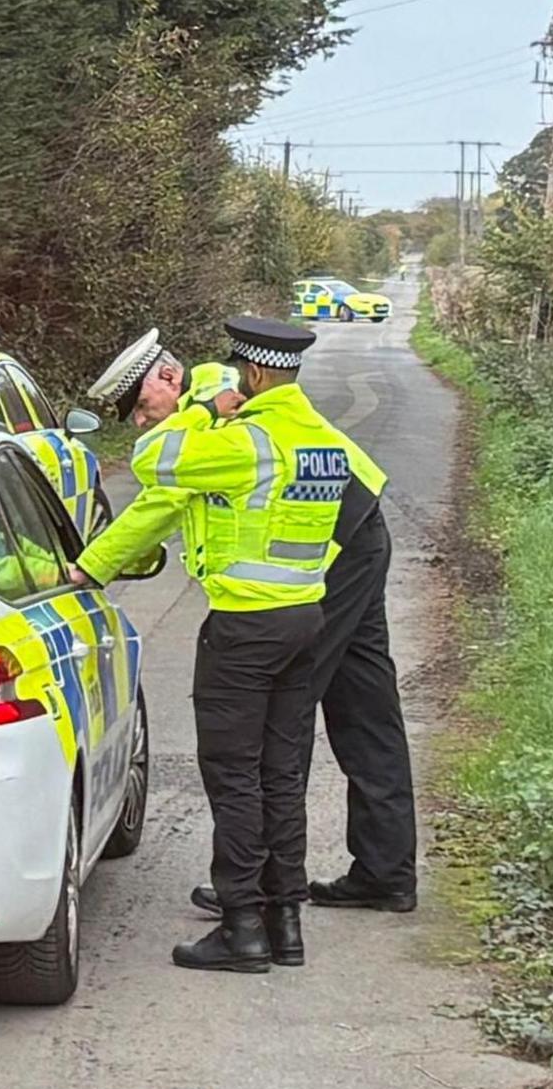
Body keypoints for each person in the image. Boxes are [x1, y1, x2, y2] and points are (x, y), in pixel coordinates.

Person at [69, 317, 355, 973]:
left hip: (244, 628)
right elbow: (165, 505)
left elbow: (154, 464)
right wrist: (96, 565)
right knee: (282, 775)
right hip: (304, 617)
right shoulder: (320, 440)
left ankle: (240, 926)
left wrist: (201, 408)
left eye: (143, 407)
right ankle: (284, 922)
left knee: (232, 777)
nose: (141, 423)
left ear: (251, 375)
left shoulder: (245, 440)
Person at [190, 382, 418, 917]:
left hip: (336, 549)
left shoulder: (205, 414)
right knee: (364, 706)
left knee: (283, 709)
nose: (138, 423)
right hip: (362, 527)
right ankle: (386, 873)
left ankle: (264, 886)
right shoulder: (224, 397)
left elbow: (158, 502)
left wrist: (94, 566)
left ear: (166, 381)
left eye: (139, 409)